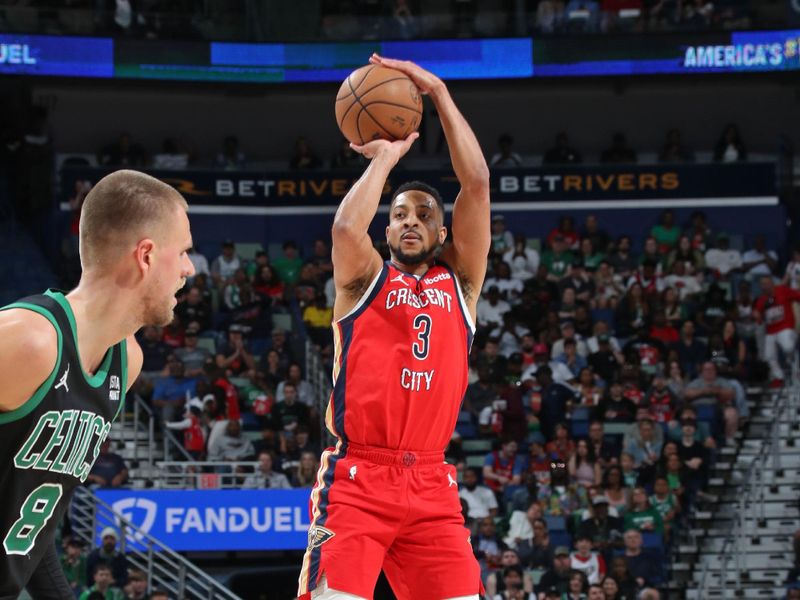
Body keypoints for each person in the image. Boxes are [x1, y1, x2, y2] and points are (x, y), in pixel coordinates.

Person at [297, 54, 490, 600]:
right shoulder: (363, 280)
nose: (411, 220)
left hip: (432, 483)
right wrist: (384, 158)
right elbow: (342, 227)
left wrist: (440, 93)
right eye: (400, 214)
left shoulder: (462, 283)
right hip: (358, 478)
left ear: (443, 229)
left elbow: (475, 183)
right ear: (387, 228)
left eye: (424, 214)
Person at [0, 170, 193, 598]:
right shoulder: (27, 342)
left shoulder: (126, 363)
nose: (189, 268)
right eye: (182, 252)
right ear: (146, 255)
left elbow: (35, 523)